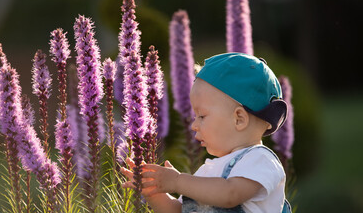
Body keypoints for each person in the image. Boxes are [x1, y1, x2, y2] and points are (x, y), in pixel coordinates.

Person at [121, 52, 291, 213]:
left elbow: (230, 194)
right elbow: (177, 210)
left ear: (239, 119)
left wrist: (177, 181)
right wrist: (153, 190)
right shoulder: (207, 172)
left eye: (201, 116)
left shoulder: (260, 160)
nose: (194, 125)